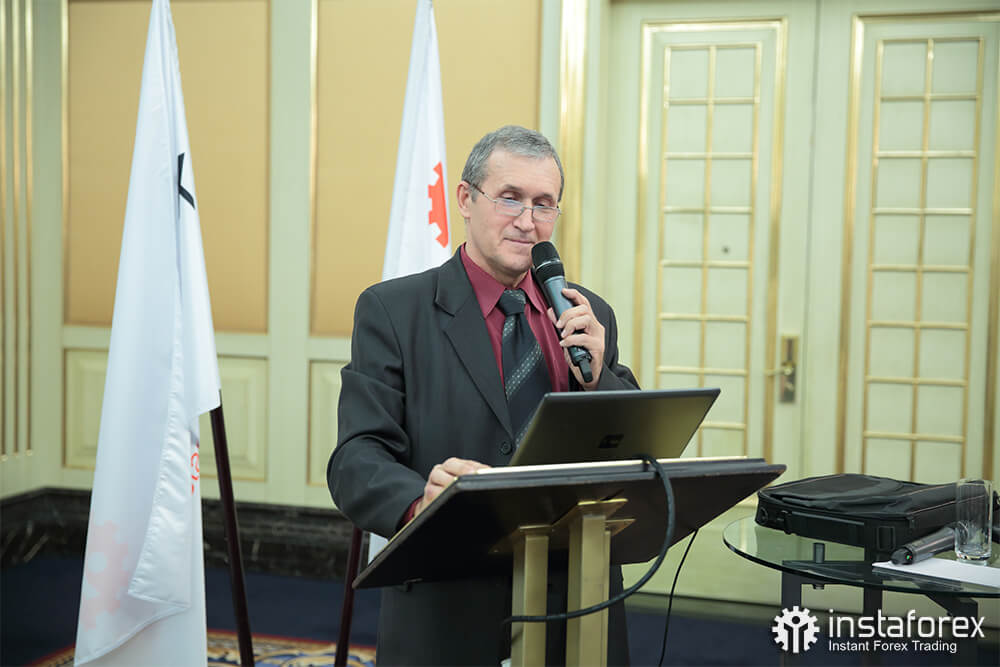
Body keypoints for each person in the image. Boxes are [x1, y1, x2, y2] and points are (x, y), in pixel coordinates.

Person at [328, 125, 638, 666]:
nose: (527, 221)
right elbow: (356, 458)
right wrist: (420, 501)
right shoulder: (393, 311)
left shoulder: (589, 315)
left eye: (544, 204)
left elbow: (636, 447)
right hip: (449, 604)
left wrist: (597, 381)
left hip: (578, 604)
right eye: (510, 198)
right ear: (466, 200)